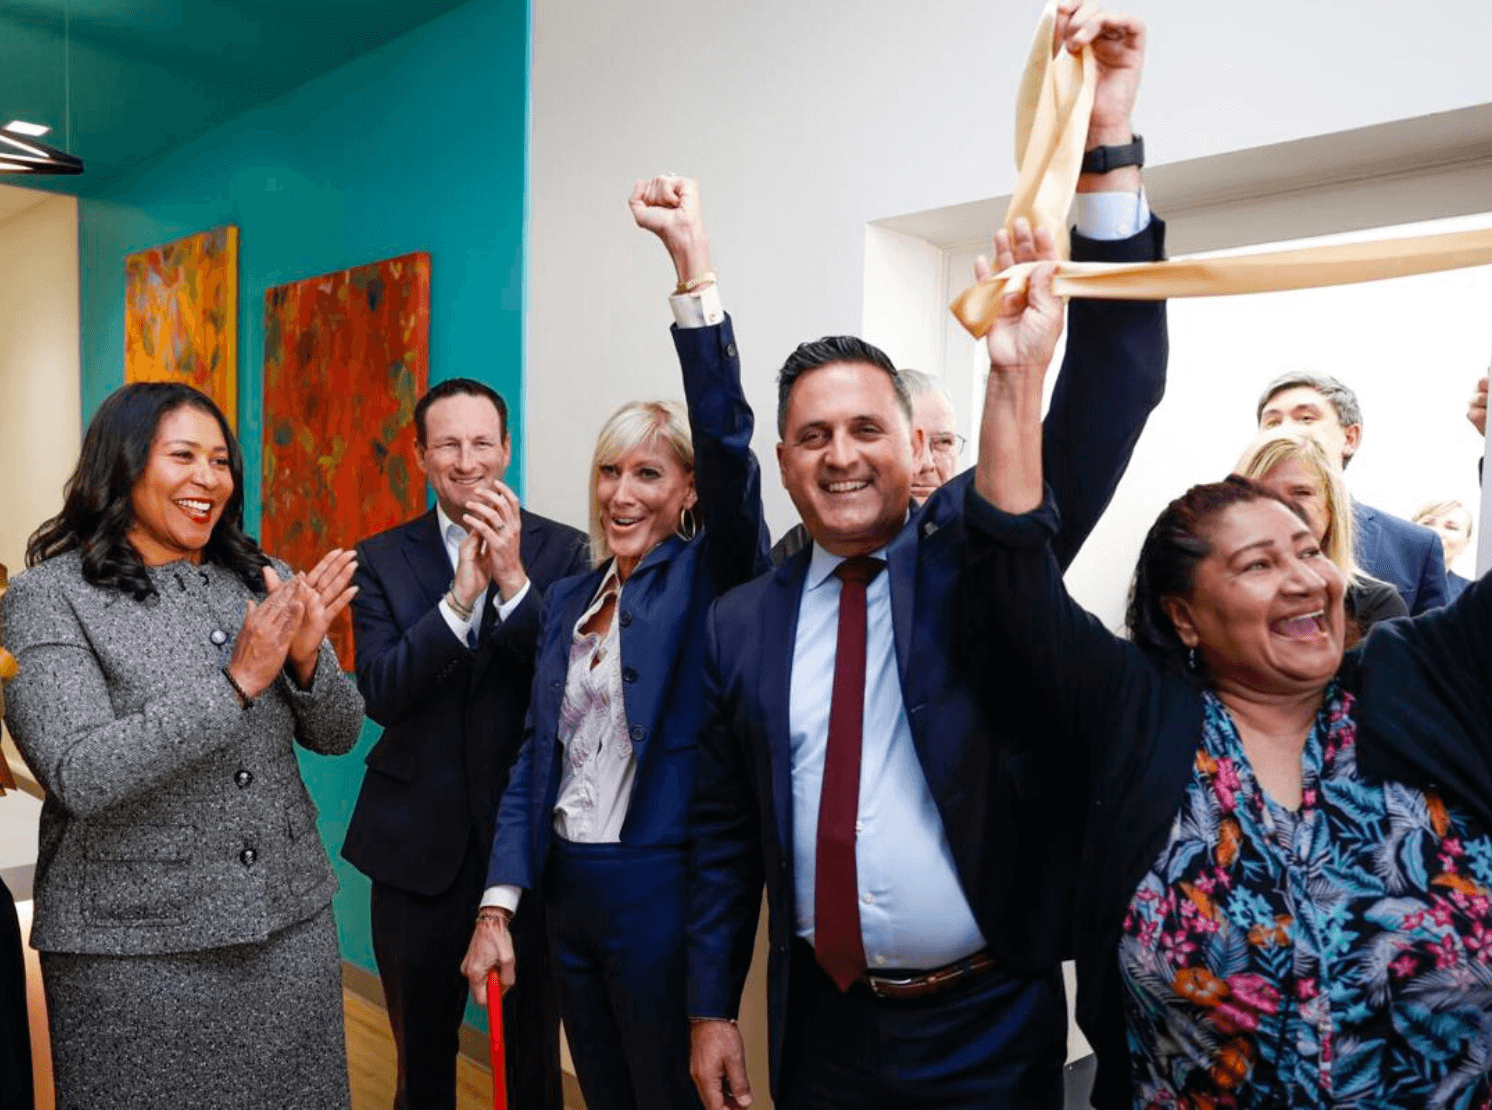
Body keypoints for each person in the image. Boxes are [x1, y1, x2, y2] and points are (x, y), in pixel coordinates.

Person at [685, 10, 1166, 1107]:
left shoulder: (980, 557)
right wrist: (712, 1004)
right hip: (821, 1028)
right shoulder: (741, 623)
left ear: (916, 451)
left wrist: (1106, 143)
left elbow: (1119, 386)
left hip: (985, 1024)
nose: (841, 455)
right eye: (813, 436)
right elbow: (724, 831)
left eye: (868, 430)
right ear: (783, 462)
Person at [972, 252, 1492, 1107]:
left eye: (1308, 551)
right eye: (1257, 564)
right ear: (1184, 616)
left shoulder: (1419, 679)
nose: (1306, 580)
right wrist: (1016, 378)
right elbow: (1012, 579)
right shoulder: (1136, 716)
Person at [459, 174, 770, 1110]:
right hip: (569, 891)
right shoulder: (568, 597)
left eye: (648, 473)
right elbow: (535, 759)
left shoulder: (713, 578)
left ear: (686, 492)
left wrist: (692, 271)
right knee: (602, 1092)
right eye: (608, 471)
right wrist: (500, 902)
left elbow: (728, 446)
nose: (621, 493)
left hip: (659, 893)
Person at [0, 382, 364, 1110]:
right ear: (123, 465)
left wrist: (304, 663)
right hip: (132, 954)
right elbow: (78, 770)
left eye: (220, 460)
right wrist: (235, 684)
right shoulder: (49, 598)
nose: (208, 478)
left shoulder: (262, 577)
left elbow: (339, 733)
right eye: (183, 456)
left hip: (288, 932)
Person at [342, 380, 586, 1110]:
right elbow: (382, 693)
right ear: (421, 455)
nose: (467, 460)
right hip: (414, 853)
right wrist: (459, 602)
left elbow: (570, 691)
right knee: (421, 1067)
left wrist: (511, 581)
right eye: (447, 444)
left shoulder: (566, 550)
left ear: (506, 449)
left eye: (482, 442)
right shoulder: (380, 559)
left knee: (533, 1064)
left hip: (530, 852)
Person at [1257, 371, 1448, 614]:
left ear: (1350, 438)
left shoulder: (1413, 546)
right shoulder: (1222, 536)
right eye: (1272, 423)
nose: (1286, 431)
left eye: (1305, 419)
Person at [770, 369, 962, 566]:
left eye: (943, 442)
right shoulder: (802, 547)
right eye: (909, 445)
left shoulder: (975, 550)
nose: (927, 464)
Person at [1235, 432, 1406, 631]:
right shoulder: (1214, 603)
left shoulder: (1377, 607)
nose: (1284, 508)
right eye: (1265, 494)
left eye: (1301, 492)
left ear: (1331, 505)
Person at [1412, 498, 1475, 601]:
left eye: (1452, 528)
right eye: (1427, 523)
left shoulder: (1471, 596)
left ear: (1465, 544)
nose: (1437, 533)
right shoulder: (1385, 579)